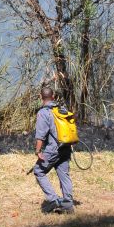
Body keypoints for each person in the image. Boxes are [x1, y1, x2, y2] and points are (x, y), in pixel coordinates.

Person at [33, 86, 74, 214]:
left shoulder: (43, 113)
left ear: (41, 97)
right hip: (66, 146)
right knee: (64, 174)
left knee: (38, 171)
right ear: (53, 97)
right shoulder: (62, 109)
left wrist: (38, 151)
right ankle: (68, 204)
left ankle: (53, 200)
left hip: (53, 149)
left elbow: (40, 136)